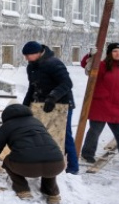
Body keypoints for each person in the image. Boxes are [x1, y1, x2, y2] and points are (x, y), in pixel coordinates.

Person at [0, 104, 65, 204]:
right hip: (57, 164)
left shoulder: (7, 126)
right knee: (47, 157)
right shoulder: (37, 122)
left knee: (8, 161)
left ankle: (22, 189)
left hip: (26, 166)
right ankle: (53, 194)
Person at [79, 43, 119, 169]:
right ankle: (87, 154)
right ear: (109, 53)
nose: (118, 53)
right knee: (95, 131)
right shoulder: (102, 65)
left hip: (117, 106)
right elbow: (86, 66)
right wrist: (91, 55)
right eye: (115, 51)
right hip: (101, 104)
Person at [21, 41, 79, 174]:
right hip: (42, 105)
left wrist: (52, 97)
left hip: (61, 104)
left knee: (64, 134)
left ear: (38, 53)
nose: (26, 59)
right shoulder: (31, 67)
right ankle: (47, 162)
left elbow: (67, 83)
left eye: (28, 55)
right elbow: (32, 87)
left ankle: (73, 168)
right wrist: (25, 106)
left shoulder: (54, 63)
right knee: (42, 134)